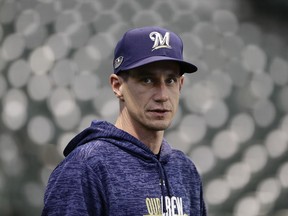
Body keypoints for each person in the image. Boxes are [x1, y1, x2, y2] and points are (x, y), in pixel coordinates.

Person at [42, 26, 207, 216]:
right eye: (147, 80)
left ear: (181, 85)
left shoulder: (185, 170)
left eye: (170, 81)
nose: (162, 95)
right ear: (117, 86)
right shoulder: (87, 167)